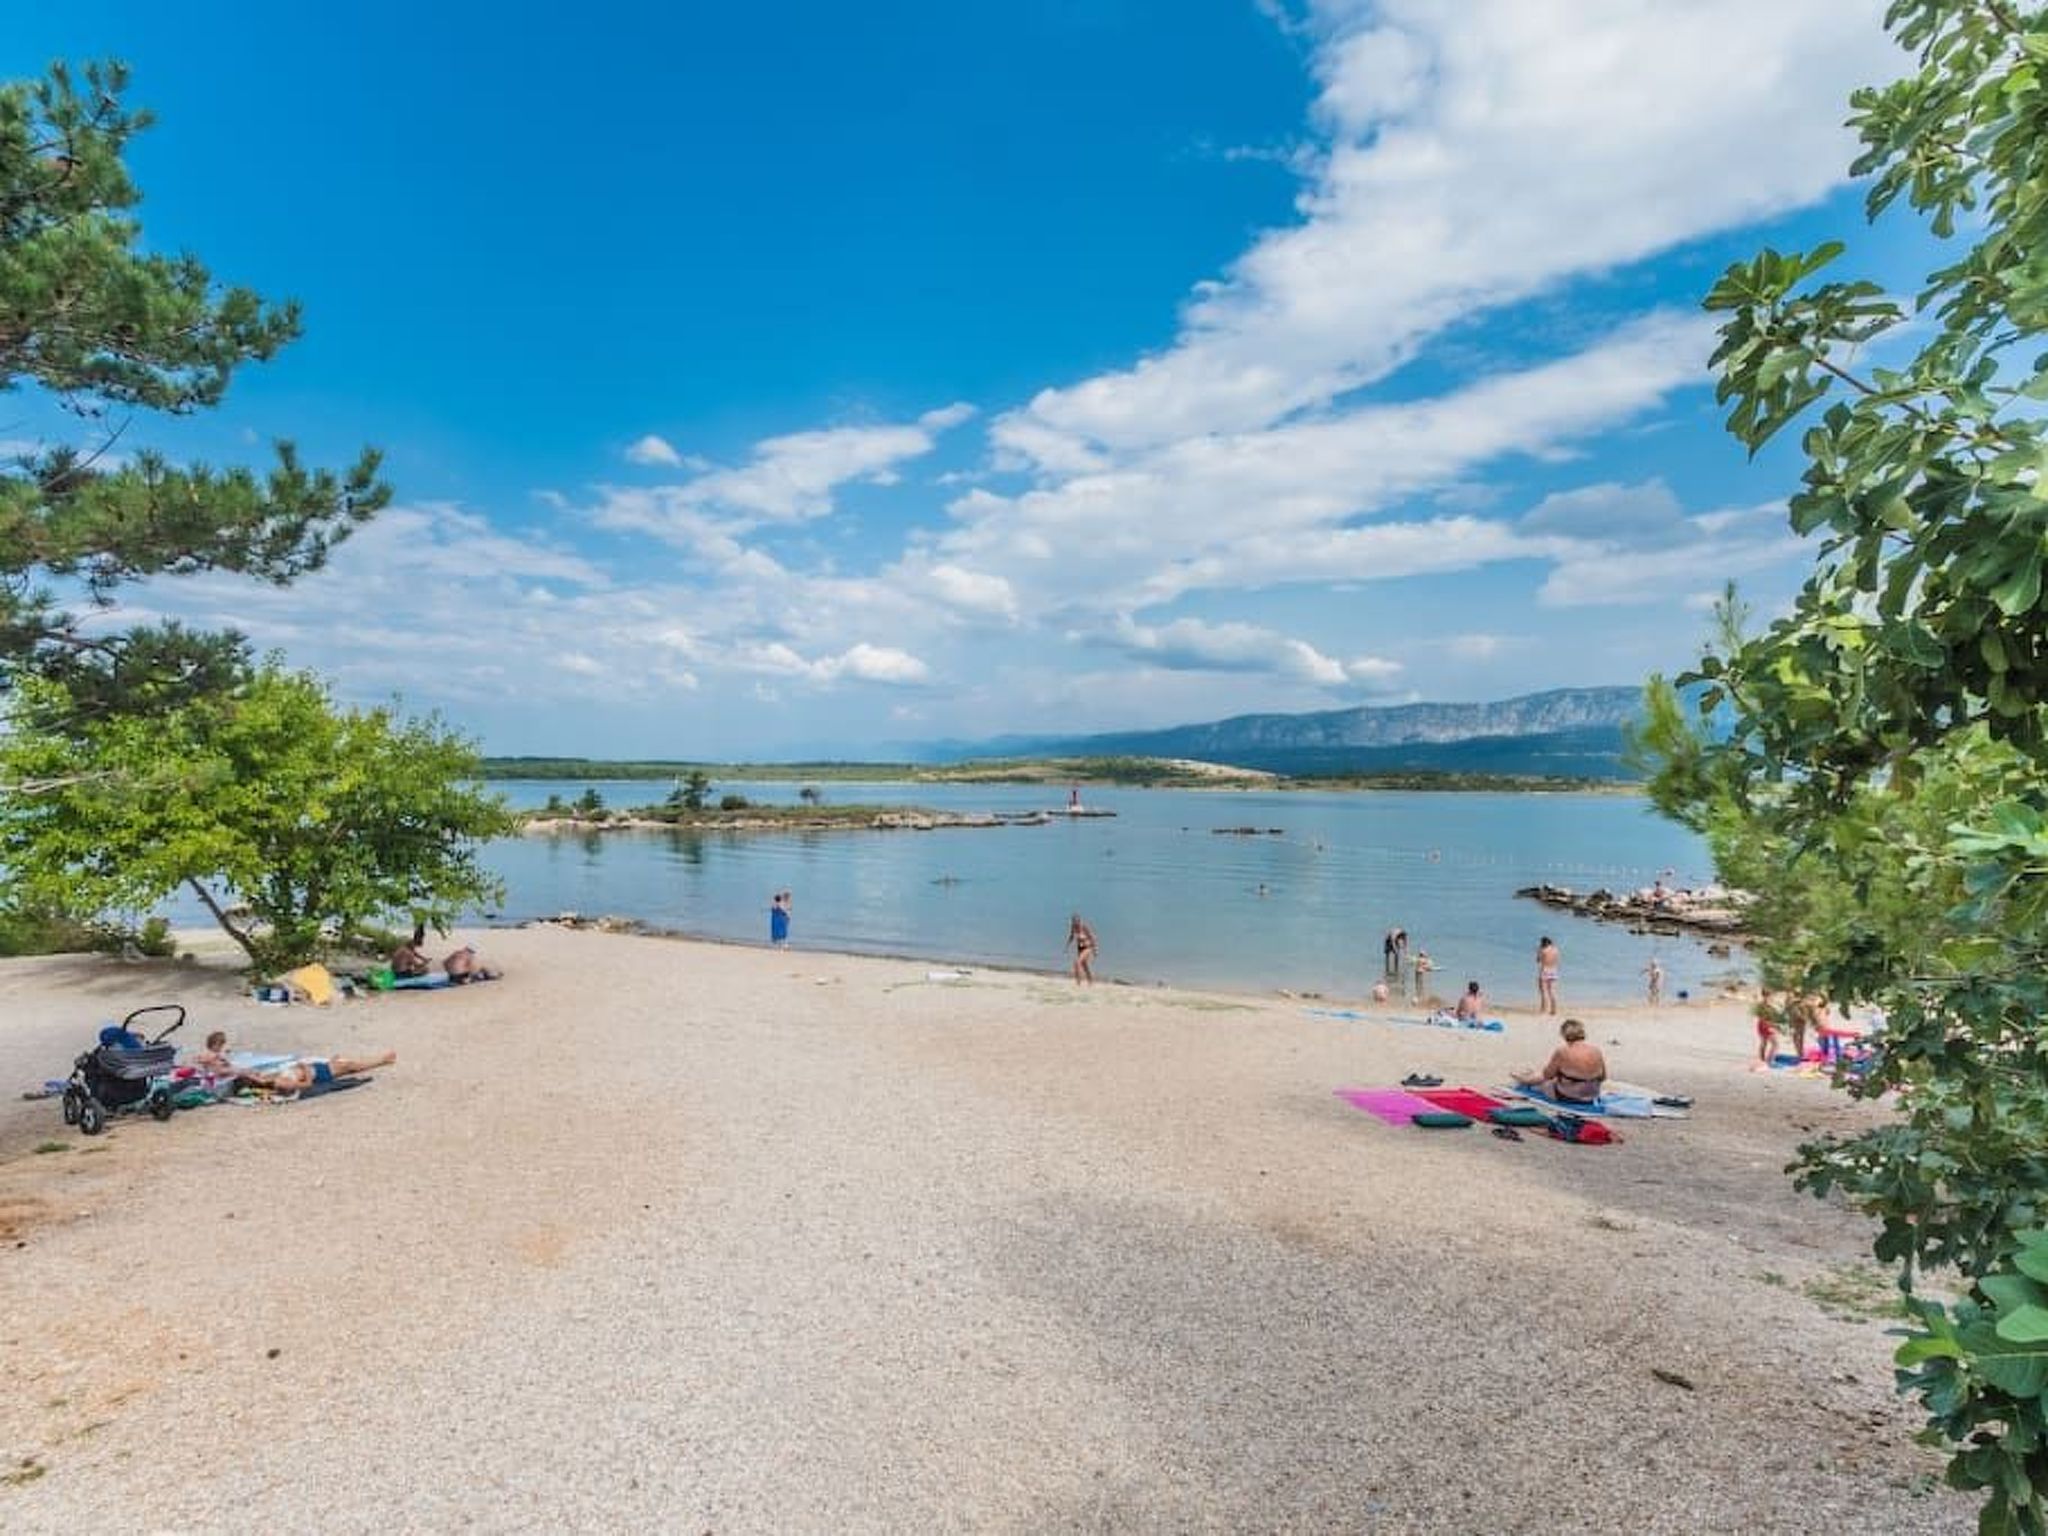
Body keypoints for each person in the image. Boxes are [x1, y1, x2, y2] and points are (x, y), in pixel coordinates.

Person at [1515, 1018, 1607, 1105]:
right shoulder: (1596, 1050)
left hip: (1570, 1097)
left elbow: (1547, 1075)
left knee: (1542, 1083)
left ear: (1564, 1034)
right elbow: (1603, 1077)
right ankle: (1527, 1077)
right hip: (1592, 1096)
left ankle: (1524, 1079)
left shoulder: (1562, 1051)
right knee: (1563, 1077)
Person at [241, 1050, 398, 1094]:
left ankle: (382, 1060)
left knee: (346, 1062)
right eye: (252, 1076)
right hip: (318, 1074)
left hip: (315, 1067)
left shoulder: (268, 1077)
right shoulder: (280, 1083)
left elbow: (251, 1075)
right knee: (351, 1066)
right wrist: (303, 1068)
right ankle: (383, 1060)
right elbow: (307, 1084)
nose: (254, 1074)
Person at [1066, 913, 1097, 985]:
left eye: (1076, 921)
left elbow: (1091, 937)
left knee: (1077, 963)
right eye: (1073, 921)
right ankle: (1090, 982)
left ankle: (1078, 983)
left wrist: (1095, 950)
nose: (1075, 922)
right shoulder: (1073, 927)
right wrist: (1067, 946)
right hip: (1080, 948)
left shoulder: (1084, 927)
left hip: (1087, 948)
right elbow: (1071, 936)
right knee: (1085, 965)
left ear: (1079, 920)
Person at [1755, 989, 1783, 1066]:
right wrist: (1775, 1026)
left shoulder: (1761, 1005)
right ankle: (1770, 1060)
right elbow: (1766, 1018)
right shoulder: (1765, 1006)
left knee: (1764, 1042)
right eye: (1771, 996)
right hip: (1766, 1026)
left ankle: (1762, 1059)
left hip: (1761, 1025)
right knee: (1776, 1044)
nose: (1772, 997)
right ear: (1768, 995)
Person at [1536, 936, 1561, 1016]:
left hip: (1545, 970)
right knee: (1552, 991)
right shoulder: (1555, 949)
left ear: (1542, 943)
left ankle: (1543, 1010)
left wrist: (1539, 951)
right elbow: (1557, 960)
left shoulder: (1542, 950)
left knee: (1543, 992)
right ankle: (1554, 1010)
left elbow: (1538, 960)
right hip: (1554, 971)